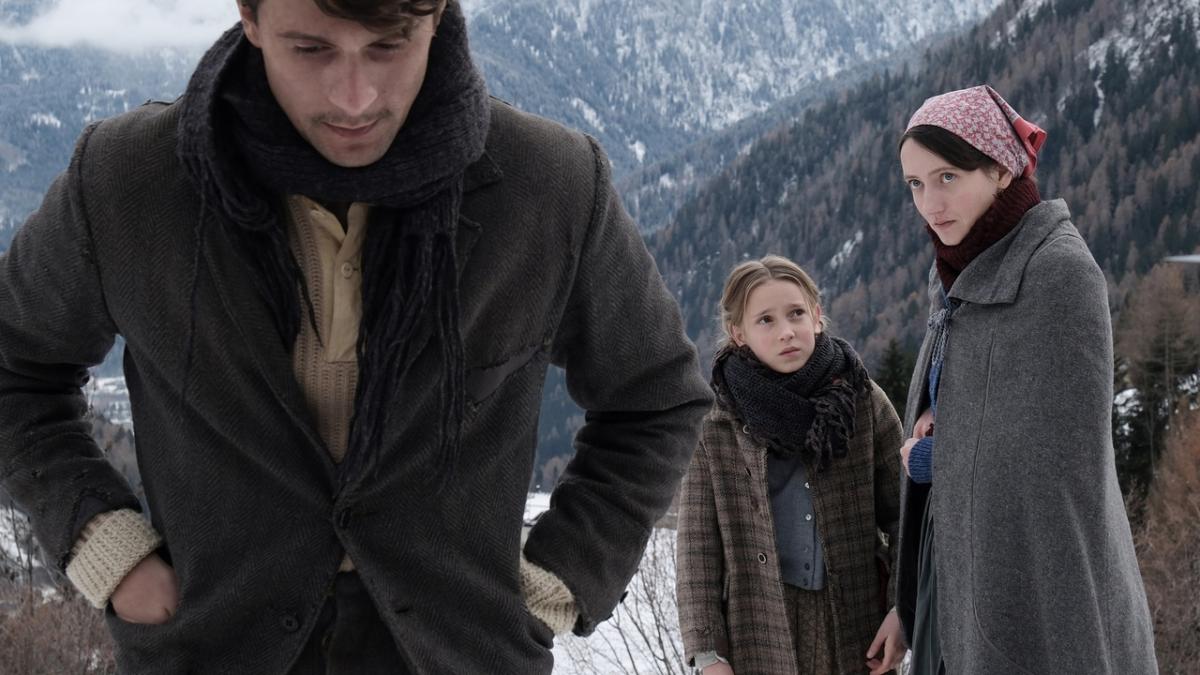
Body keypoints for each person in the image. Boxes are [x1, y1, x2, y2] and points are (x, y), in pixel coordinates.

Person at [0, 0, 712, 672]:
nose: (354, 96)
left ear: (436, 16)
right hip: (210, 646)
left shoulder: (547, 185)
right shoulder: (130, 180)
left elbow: (654, 400)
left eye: (388, 46)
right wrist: (105, 545)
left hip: (460, 653)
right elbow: (14, 367)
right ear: (249, 15)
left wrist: (560, 578)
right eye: (311, 48)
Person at [894, 85, 1158, 674]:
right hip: (959, 558)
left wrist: (934, 457)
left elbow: (1062, 457)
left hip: (1032, 574)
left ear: (1000, 169)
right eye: (916, 184)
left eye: (947, 177)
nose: (930, 203)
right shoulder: (967, 263)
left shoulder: (1058, 272)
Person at [676, 255, 906, 675]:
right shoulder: (717, 425)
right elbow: (697, 545)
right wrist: (708, 653)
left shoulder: (863, 403)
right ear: (738, 333)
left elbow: (907, 516)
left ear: (817, 317)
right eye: (765, 320)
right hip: (757, 627)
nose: (786, 331)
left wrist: (902, 609)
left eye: (796, 313)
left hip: (859, 626)